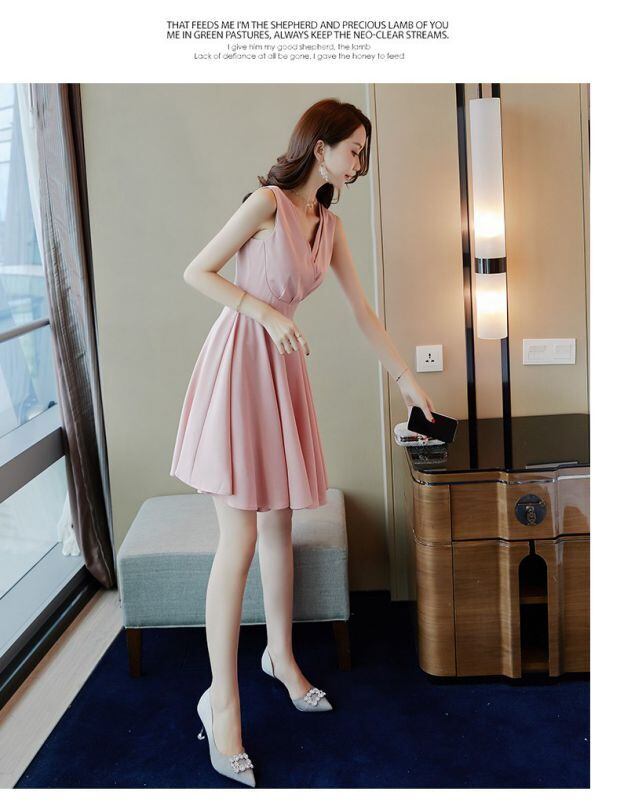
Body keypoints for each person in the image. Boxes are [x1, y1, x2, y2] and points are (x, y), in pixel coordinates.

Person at [169, 98, 434, 787]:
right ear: (321, 148)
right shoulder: (267, 204)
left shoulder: (329, 226)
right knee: (240, 538)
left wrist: (407, 381)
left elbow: (362, 312)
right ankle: (221, 703)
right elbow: (198, 271)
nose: (360, 162)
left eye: (364, 152)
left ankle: (281, 658)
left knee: (280, 523)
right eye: (354, 149)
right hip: (240, 362)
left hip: (282, 370)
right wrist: (262, 312)